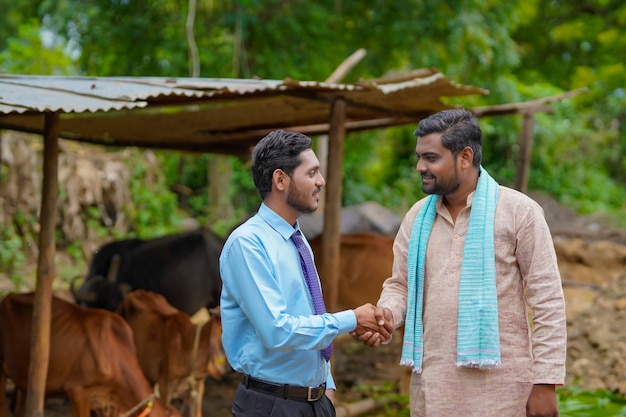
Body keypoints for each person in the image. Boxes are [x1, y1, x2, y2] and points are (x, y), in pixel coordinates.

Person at [355, 109, 567, 417]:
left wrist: (545, 383)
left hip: (504, 393)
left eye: (431, 158)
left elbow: (547, 299)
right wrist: (386, 314)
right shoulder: (417, 217)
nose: (420, 167)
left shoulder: (519, 212)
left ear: (465, 157)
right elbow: (400, 286)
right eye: (420, 157)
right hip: (433, 390)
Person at [219, 129, 392, 417]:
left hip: (315, 402)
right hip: (272, 405)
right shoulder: (248, 244)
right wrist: (352, 319)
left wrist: (327, 385)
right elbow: (278, 331)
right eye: (311, 173)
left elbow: (309, 316)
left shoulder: (298, 242)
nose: (321, 181)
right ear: (280, 180)